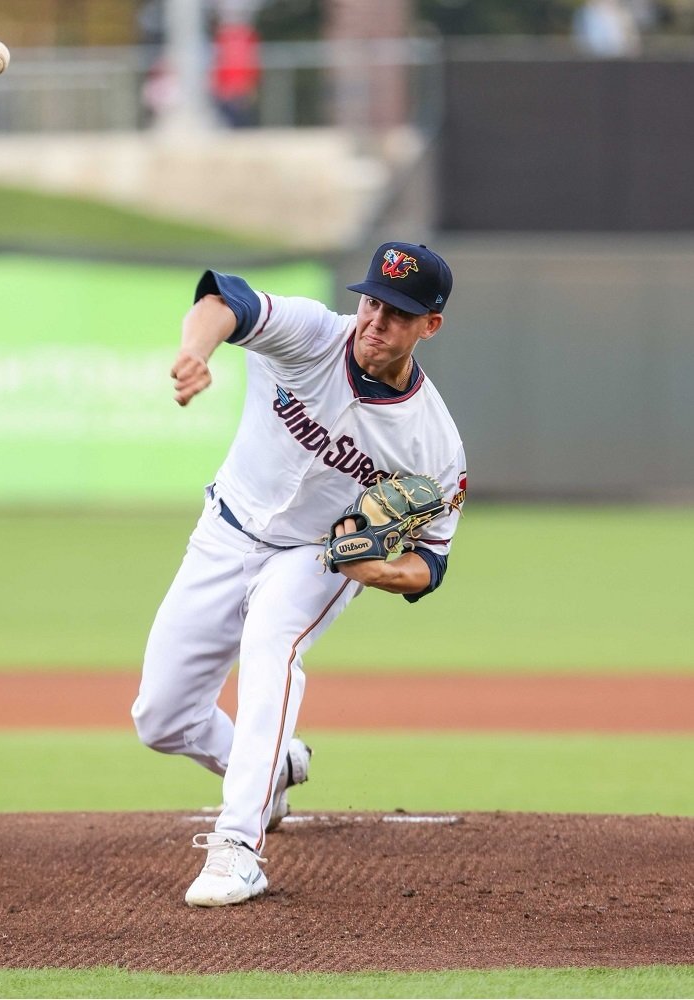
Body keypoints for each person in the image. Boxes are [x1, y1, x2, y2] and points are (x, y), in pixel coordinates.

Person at [133, 242, 466, 907]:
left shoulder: (434, 443)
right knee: (161, 718)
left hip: (316, 554)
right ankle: (276, 764)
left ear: (430, 325)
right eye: (372, 301)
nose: (375, 321)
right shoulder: (314, 333)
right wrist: (197, 351)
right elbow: (221, 301)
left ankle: (238, 847)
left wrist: (374, 568)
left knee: (272, 644)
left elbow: (428, 562)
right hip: (225, 528)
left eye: (397, 313)